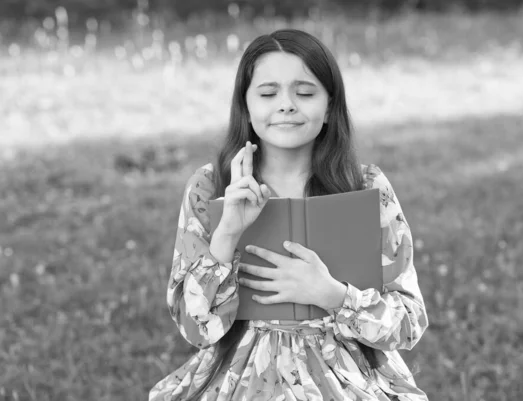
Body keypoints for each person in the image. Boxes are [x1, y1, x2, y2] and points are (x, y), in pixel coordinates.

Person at [149, 29, 429, 401]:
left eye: (306, 93)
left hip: (346, 378)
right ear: (246, 106)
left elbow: (408, 322)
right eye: (267, 93)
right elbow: (195, 327)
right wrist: (227, 234)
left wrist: (333, 295)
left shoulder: (364, 186)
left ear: (329, 106)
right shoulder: (210, 186)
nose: (286, 105)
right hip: (241, 377)